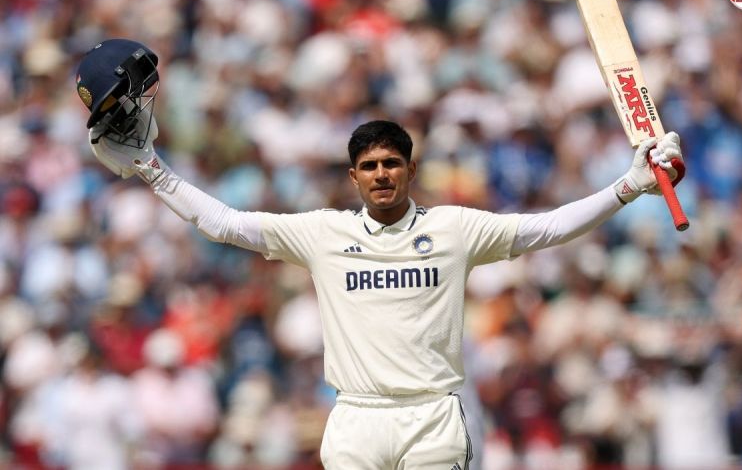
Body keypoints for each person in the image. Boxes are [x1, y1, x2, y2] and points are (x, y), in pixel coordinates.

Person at [76, 38, 686, 469]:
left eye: (392, 163)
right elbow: (226, 224)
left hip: (433, 419)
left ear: (411, 169)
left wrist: (627, 186)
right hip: (356, 419)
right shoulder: (323, 234)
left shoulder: (454, 229)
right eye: (369, 167)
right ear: (353, 177)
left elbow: (548, 229)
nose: (381, 175)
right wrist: (154, 173)